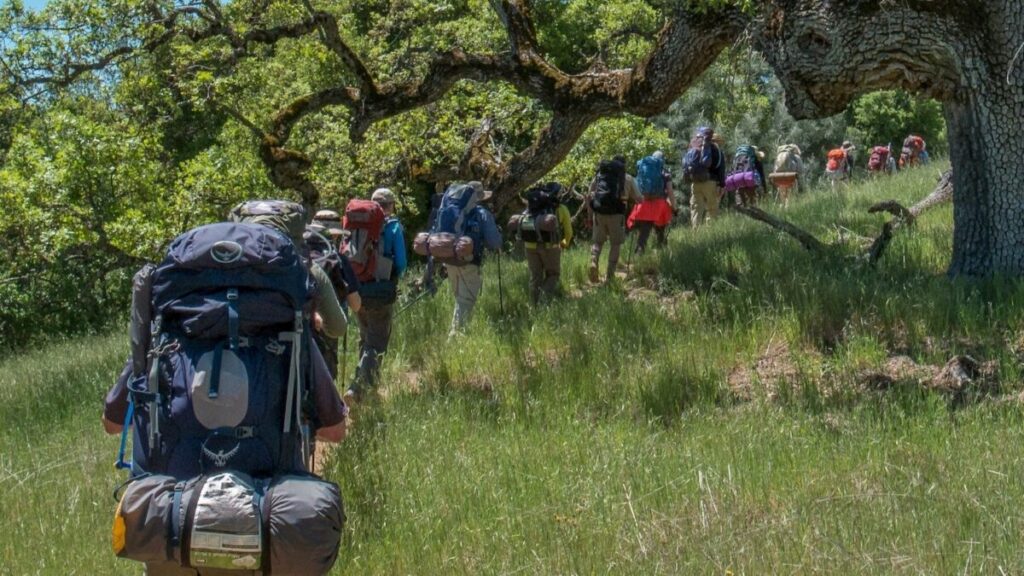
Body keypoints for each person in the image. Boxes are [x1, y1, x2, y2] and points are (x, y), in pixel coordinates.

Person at [345, 188, 406, 405]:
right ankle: (358, 389)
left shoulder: (356, 224)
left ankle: (368, 389)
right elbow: (401, 263)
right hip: (380, 290)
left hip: (356, 289)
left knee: (365, 337)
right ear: (390, 205)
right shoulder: (393, 227)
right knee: (377, 343)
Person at [307, 212, 361, 381]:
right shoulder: (338, 259)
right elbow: (356, 304)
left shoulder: (295, 253)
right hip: (328, 330)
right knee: (325, 381)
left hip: (297, 326)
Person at [444, 181, 502, 335]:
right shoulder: (482, 213)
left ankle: (458, 333)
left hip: (449, 258)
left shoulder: (450, 210)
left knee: (460, 298)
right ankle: (456, 337)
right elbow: (495, 242)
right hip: (468, 261)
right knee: (466, 300)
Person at [587, 155, 641, 283]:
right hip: (617, 215)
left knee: (598, 242)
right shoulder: (628, 178)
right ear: (624, 166)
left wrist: (590, 217)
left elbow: (589, 196)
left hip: (599, 213)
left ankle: (594, 261)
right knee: (615, 244)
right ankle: (610, 276)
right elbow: (640, 199)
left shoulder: (600, 176)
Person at [521, 182, 573, 304]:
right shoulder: (561, 209)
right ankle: (543, 301)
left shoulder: (531, 208)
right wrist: (563, 244)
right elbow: (569, 233)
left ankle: (534, 306)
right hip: (550, 247)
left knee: (535, 277)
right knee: (553, 275)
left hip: (529, 246)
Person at [628, 150, 674, 253]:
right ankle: (661, 250)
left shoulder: (643, 168)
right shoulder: (665, 172)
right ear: (662, 160)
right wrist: (674, 207)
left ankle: (640, 250)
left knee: (644, 230)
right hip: (659, 204)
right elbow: (670, 191)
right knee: (660, 229)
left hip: (643, 202)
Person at [687, 127, 726, 227]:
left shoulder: (696, 147)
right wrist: (721, 185)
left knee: (696, 208)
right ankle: (710, 231)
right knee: (712, 208)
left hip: (695, 182)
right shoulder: (716, 149)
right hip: (710, 182)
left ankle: (695, 232)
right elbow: (720, 168)